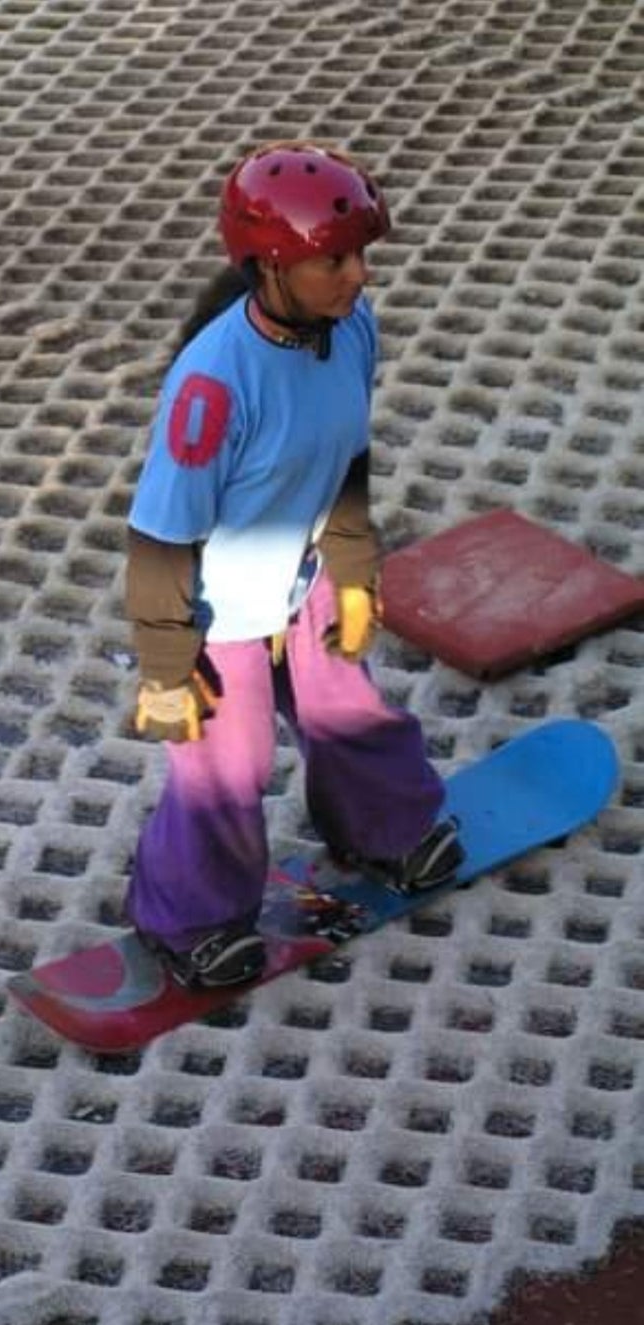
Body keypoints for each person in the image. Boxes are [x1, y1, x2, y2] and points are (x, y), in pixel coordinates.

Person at [123, 141, 462, 990]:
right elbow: (160, 535)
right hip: (217, 616)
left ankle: (382, 828)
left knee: (351, 708)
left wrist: (352, 568)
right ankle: (190, 919)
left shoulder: (350, 332)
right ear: (269, 267)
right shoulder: (212, 389)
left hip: (304, 581)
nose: (357, 278)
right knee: (225, 771)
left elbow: (347, 456)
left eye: (359, 256)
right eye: (332, 261)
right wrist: (167, 666)